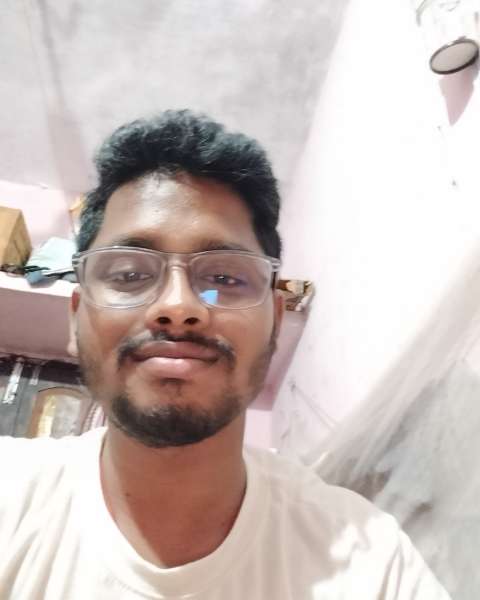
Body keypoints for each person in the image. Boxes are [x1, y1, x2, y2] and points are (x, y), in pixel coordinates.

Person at [0, 110, 450, 599]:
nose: (177, 306)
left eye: (224, 278)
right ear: (76, 318)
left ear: (275, 320)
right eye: (130, 275)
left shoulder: (374, 565)